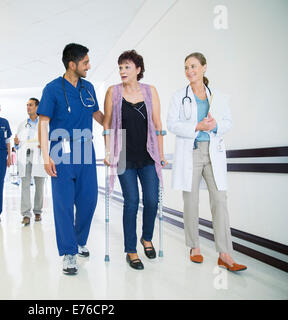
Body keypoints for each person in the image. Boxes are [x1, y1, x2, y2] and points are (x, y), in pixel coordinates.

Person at [167, 52, 246, 272]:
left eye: (193, 66)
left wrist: (215, 126)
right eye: (186, 67)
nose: (189, 71)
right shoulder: (178, 96)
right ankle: (194, 247)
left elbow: (228, 122)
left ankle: (225, 254)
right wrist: (196, 127)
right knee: (191, 201)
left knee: (220, 200)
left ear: (204, 67)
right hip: (191, 152)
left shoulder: (217, 97)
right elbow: (172, 124)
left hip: (213, 153)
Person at [37, 43, 104, 275]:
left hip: (86, 149)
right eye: (85, 62)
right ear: (72, 64)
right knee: (64, 204)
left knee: (89, 199)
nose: (89, 66)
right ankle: (68, 252)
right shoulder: (52, 88)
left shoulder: (89, 88)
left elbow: (98, 116)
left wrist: (115, 117)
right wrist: (46, 156)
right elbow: (43, 123)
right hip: (60, 150)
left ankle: (78, 239)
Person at [103, 50, 167, 270]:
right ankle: (131, 249)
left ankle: (146, 237)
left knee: (151, 200)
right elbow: (107, 125)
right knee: (131, 202)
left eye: (127, 67)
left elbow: (157, 124)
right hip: (123, 155)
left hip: (148, 154)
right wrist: (108, 152)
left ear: (138, 70)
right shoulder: (113, 91)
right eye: (120, 67)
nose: (122, 71)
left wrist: (161, 153)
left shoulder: (150, 91)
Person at [14, 98, 47, 226]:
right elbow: (18, 144)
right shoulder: (22, 124)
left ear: (37, 107)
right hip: (25, 156)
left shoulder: (44, 122)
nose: (28, 107)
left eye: (31, 105)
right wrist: (16, 144)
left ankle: (38, 211)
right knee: (25, 185)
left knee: (39, 185)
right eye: (27, 105)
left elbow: (48, 139)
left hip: (38, 156)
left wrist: (43, 146)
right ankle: (26, 214)